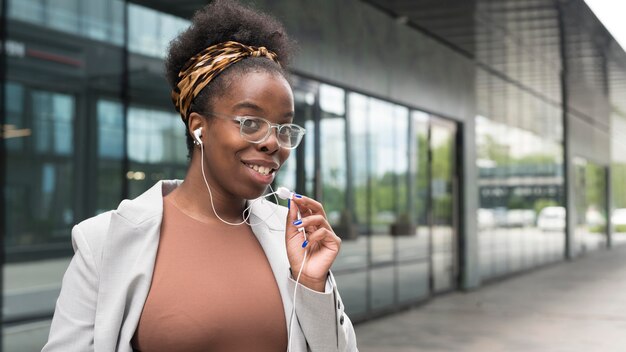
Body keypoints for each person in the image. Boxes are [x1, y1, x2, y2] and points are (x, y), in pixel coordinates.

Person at [42, 0, 358, 351]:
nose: (273, 143)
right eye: (250, 122)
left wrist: (313, 285)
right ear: (199, 128)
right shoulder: (103, 242)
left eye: (284, 128)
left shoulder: (290, 239)